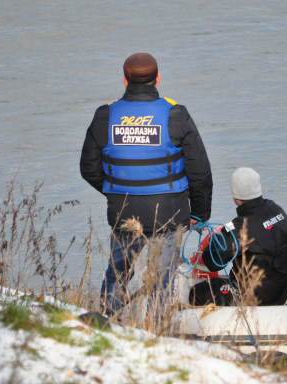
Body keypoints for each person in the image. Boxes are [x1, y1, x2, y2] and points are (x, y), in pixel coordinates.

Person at [80, 53, 213, 316]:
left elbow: (89, 168)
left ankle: (106, 324)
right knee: (162, 281)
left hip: (124, 212)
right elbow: (199, 169)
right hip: (169, 213)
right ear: (158, 78)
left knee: (118, 273)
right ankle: (159, 332)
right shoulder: (175, 113)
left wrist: (117, 191)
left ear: (125, 80)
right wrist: (199, 213)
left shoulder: (105, 114)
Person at [189, 167, 287, 307]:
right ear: (258, 189)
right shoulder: (276, 209)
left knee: (198, 292)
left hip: (255, 296)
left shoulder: (238, 228)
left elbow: (211, 261)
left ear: (236, 197)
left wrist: (217, 239)